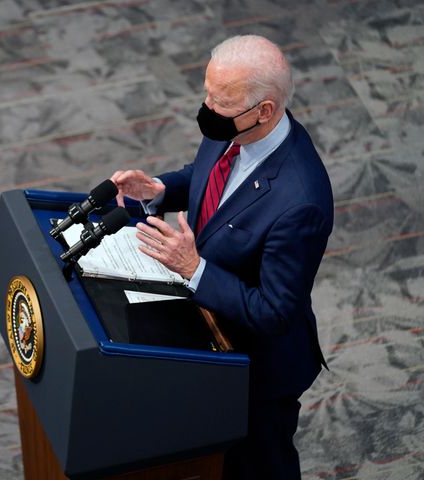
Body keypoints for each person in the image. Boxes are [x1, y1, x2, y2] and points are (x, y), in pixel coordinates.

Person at [110, 35, 333, 480]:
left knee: (260, 467)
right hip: (209, 334)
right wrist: (160, 188)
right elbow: (209, 175)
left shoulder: (300, 201)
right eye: (207, 94)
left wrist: (194, 268)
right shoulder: (239, 127)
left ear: (264, 110)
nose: (208, 109)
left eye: (221, 103)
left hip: (259, 372)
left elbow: (274, 312)